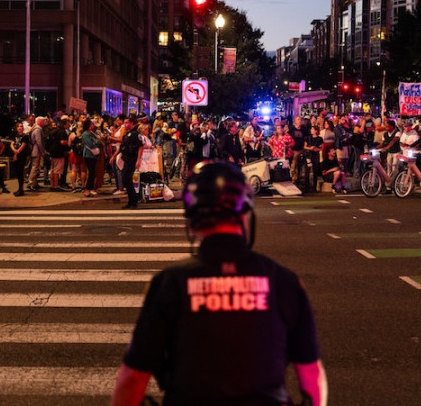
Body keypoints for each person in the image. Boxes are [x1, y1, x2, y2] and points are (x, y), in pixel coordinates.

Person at [111, 161, 327, 406]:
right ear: (245, 213)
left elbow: (133, 378)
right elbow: (310, 373)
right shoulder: (284, 281)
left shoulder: (169, 283)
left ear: (192, 220)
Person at [120, 115, 144, 209]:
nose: (125, 124)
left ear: (131, 123)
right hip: (126, 158)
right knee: (126, 179)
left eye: (127, 123)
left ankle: (133, 201)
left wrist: (138, 160)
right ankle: (131, 201)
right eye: (124, 122)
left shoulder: (135, 133)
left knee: (126, 178)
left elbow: (140, 147)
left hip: (132, 159)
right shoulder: (128, 133)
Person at [81, 118, 102, 198]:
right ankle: (87, 189)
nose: (93, 126)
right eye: (92, 124)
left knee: (93, 173)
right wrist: (96, 143)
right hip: (88, 155)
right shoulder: (85, 134)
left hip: (93, 155)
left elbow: (99, 142)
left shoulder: (92, 133)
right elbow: (91, 144)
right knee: (91, 172)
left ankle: (89, 189)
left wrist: (96, 142)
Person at [10, 122, 30, 196]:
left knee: (21, 172)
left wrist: (16, 152)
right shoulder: (15, 136)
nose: (20, 127)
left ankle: (21, 189)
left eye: (21, 126)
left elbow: (23, 146)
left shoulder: (25, 136)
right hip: (16, 155)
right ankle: (19, 188)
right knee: (17, 173)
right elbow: (12, 144)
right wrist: (14, 151)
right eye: (18, 126)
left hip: (22, 156)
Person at [27, 116, 47, 191]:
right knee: (35, 167)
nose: (44, 123)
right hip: (36, 151)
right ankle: (31, 182)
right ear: (40, 122)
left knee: (36, 167)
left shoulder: (36, 129)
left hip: (36, 150)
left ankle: (34, 183)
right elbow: (39, 142)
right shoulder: (38, 130)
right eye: (43, 121)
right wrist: (42, 152)